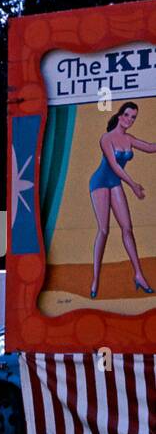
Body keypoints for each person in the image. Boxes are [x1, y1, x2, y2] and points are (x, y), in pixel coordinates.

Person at [88, 101, 156, 298]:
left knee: (127, 228)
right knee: (104, 229)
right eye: (127, 115)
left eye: (133, 117)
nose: (129, 120)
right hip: (100, 182)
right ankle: (95, 278)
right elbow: (115, 166)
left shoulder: (129, 139)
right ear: (119, 115)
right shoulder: (106, 138)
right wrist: (133, 185)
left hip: (115, 182)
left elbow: (150, 147)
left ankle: (139, 275)